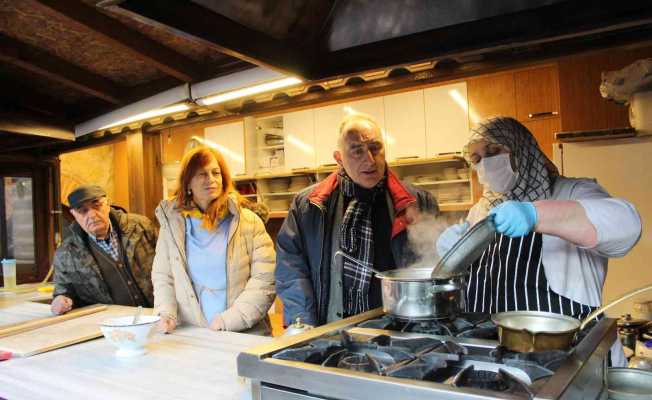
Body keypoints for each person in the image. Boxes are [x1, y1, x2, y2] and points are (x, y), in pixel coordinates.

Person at [436, 116, 642, 366]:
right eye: (477, 159)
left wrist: (536, 215)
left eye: (493, 151)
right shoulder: (480, 211)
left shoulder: (572, 191)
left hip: (568, 358)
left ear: (521, 149)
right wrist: (453, 255)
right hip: (493, 356)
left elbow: (627, 226)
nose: (485, 164)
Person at [275, 112, 438, 328]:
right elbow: (291, 269)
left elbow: (437, 268)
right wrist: (303, 325)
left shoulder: (418, 201)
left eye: (375, 148)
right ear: (339, 158)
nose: (369, 160)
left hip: (402, 331)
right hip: (333, 330)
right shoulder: (308, 206)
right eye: (357, 151)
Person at [152, 146, 275, 333]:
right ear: (187, 183)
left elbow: (265, 279)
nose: (211, 179)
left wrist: (229, 320)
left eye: (215, 173)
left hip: (243, 332)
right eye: (201, 174)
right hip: (193, 334)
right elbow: (163, 276)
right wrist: (166, 313)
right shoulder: (172, 227)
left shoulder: (249, 222)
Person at [51, 185, 157, 315]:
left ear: (107, 204)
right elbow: (64, 291)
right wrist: (60, 300)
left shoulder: (141, 226)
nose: (92, 215)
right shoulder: (66, 252)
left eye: (97, 206)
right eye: (82, 211)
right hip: (111, 323)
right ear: (74, 214)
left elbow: (171, 264)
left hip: (159, 313)